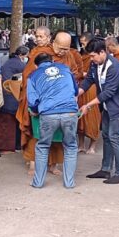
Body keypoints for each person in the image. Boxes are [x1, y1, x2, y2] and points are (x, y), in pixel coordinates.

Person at [16, 29, 80, 177]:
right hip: (42, 100)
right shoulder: (42, 54)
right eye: (60, 48)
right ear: (53, 43)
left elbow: (74, 73)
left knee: (59, 134)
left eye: (66, 49)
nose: (63, 52)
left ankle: (53, 164)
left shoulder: (69, 56)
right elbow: (29, 76)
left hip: (61, 100)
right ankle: (33, 163)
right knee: (36, 132)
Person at [80, 39, 119, 185]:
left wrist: (88, 105)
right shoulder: (95, 64)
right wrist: (77, 93)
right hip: (106, 105)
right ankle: (105, 169)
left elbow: (109, 92)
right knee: (106, 136)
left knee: (114, 137)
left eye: (93, 56)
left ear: (102, 52)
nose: (91, 59)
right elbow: (88, 80)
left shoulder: (114, 66)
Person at [27, 53, 80, 189]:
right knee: (70, 146)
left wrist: (35, 110)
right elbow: (75, 90)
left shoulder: (33, 75)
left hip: (48, 113)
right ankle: (69, 183)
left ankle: (38, 183)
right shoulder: (65, 69)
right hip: (70, 111)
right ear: (52, 61)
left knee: (43, 146)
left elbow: (33, 101)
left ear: (36, 65)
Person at [0, 46, 29, 153]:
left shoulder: (8, 62)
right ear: (21, 55)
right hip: (12, 98)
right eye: (26, 56)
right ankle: (16, 146)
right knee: (15, 124)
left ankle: (5, 146)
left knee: (5, 125)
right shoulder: (20, 65)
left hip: (4, 96)